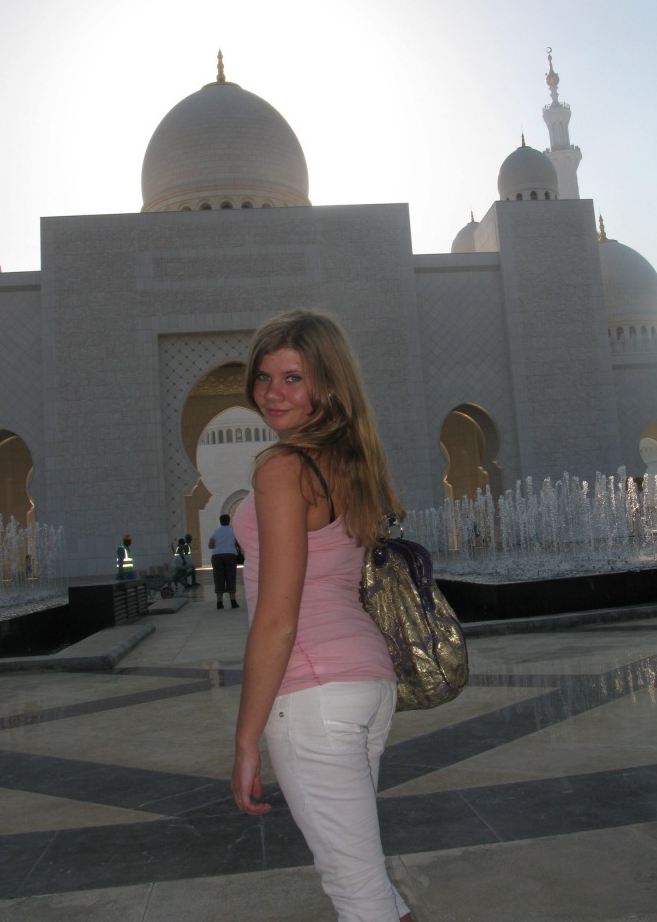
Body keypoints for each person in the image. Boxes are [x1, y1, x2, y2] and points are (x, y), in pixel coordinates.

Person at [231, 309, 413, 922]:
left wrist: (245, 740)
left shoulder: (283, 468)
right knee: (369, 885)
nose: (271, 393)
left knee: (359, 896)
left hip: (314, 694)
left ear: (327, 387)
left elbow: (277, 619)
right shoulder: (352, 462)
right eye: (264, 377)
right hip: (367, 683)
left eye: (293, 378)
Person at [208, 513, 240, 609]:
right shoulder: (233, 531)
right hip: (230, 554)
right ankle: (233, 601)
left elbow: (210, 545)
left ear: (220, 521)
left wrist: (219, 545)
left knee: (218, 577)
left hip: (217, 555)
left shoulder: (216, 532)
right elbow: (237, 543)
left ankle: (219, 602)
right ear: (229, 521)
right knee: (231, 577)